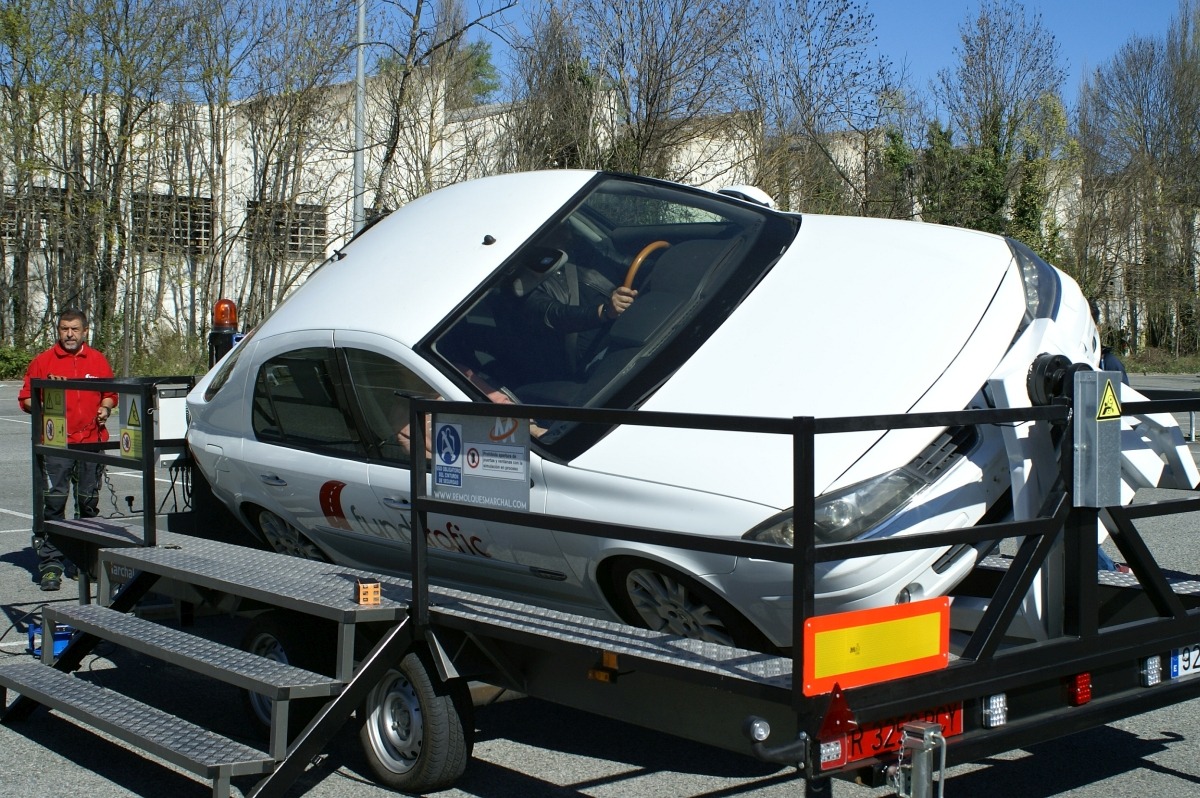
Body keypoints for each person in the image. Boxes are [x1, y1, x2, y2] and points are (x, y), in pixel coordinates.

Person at [18, 308, 117, 591]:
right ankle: (52, 563)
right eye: (64, 329)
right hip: (56, 444)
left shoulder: (97, 360)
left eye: (74, 329)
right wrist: (48, 394)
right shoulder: (43, 361)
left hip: (91, 442)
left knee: (87, 503)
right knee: (55, 503)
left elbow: (111, 394)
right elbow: (25, 399)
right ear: (58, 331)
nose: (69, 334)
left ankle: (85, 562)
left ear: (85, 331)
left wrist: (105, 408)